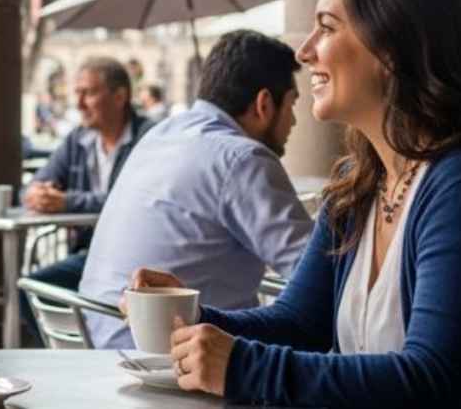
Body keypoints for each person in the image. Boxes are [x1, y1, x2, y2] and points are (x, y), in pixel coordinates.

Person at [134, 0, 461, 407]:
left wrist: (244, 367)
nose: (304, 50)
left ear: (393, 48)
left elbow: (433, 381)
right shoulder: (360, 185)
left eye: (327, 27)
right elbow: (300, 324)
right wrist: (185, 316)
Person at [79, 30, 314, 350]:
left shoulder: (161, 134)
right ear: (264, 104)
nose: (295, 122)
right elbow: (319, 276)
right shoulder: (243, 159)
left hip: (94, 339)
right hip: (162, 360)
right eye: (292, 105)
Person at [20, 57, 154, 340]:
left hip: (132, 259)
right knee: (27, 290)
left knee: (34, 288)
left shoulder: (148, 138)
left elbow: (128, 200)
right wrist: (36, 194)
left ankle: (81, 354)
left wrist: (67, 202)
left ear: (120, 96)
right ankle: (68, 357)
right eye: (77, 93)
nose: (79, 104)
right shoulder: (78, 139)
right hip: (87, 253)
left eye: (89, 93)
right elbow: (35, 184)